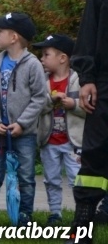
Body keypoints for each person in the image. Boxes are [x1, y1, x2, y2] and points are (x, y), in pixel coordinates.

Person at [0, 12, 48, 226]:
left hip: (23, 134)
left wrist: (22, 123)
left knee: (26, 176)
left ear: (14, 37)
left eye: (0, 31)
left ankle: (25, 213)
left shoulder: (33, 65)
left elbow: (40, 97)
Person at [67, 0, 108, 244]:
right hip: (104, 79)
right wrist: (87, 76)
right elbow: (90, 26)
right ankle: (82, 228)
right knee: (94, 151)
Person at [33, 33, 85, 226]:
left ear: (62, 58)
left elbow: (89, 109)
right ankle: (55, 212)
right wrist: (50, 100)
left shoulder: (78, 80)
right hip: (49, 141)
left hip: (73, 143)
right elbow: (36, 106)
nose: (42, 59)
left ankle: (82, 213)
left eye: (46, 54)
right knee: (51, 179)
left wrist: (73, 104)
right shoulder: (42, 82)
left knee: (76, 180)